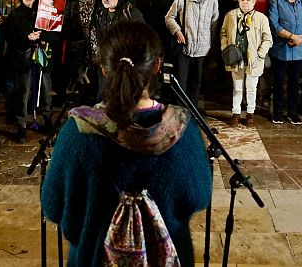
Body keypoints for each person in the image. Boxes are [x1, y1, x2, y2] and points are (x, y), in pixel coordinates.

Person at [41, 21, 212, 266]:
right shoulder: (183, 132)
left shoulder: (76, 134)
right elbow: (198, 197)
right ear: (156, 66)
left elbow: (53, 205)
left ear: (103, 69)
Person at [2, 0, 61, 143]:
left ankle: (48, 120)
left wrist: (41, 36)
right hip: (24, 59)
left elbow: (55, 35)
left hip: (43, 57)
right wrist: (27, 38)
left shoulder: (45, 12)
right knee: (23, 92)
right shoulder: (14, 16)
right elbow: (10, 37)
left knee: (45, 90)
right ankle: (21, 125)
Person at [165, 0, 218, 110]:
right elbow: (169, 18)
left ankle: (193, 112)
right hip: (184, 47)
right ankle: (181, 111)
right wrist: (177, 30)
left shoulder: (212, 0)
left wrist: (210, 44)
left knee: (196, 83)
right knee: (181, 83)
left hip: (202, 49)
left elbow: (214, 23)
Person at [221, 0, 273, 127]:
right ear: (238, 0)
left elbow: (267, 38)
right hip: (236, 58)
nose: (245, 3)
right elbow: (224, 33)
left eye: (248, 0)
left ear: (254, 1)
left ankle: (250, 113)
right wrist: (226, 49)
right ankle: (236, 113)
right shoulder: (231, 16)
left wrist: (260, 54)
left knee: (251, 88)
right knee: (237, 87)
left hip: (253, 59)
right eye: (242, 0)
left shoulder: (261, 18)